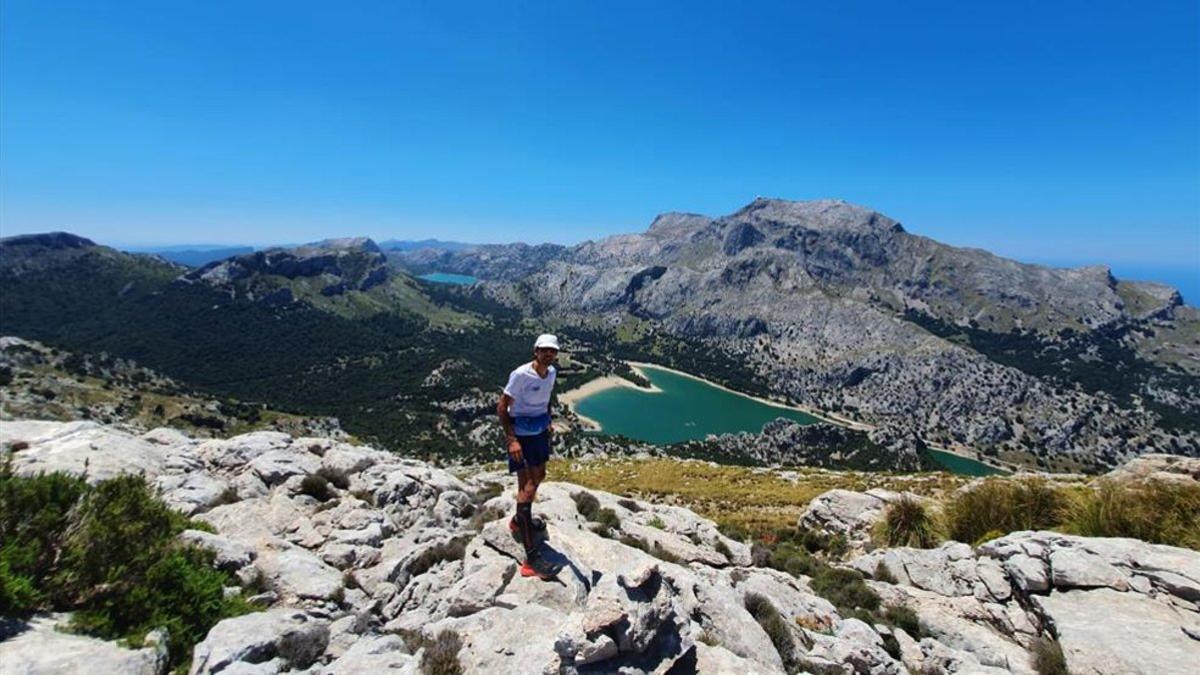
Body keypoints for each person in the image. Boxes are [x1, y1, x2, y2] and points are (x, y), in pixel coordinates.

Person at [497, 333, 561, 580]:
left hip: (538, 432)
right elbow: (502, 407)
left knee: (540, 475)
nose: (548, 354)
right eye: (544, 350)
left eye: (552, 351)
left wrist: (548, 420)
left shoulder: (551, 373)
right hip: (521, 435)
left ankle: (519, 520)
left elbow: (545, 400)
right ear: (535, 351)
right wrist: (511, 439)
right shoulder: (521, 374)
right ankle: (530, 559)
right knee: (527, 485)